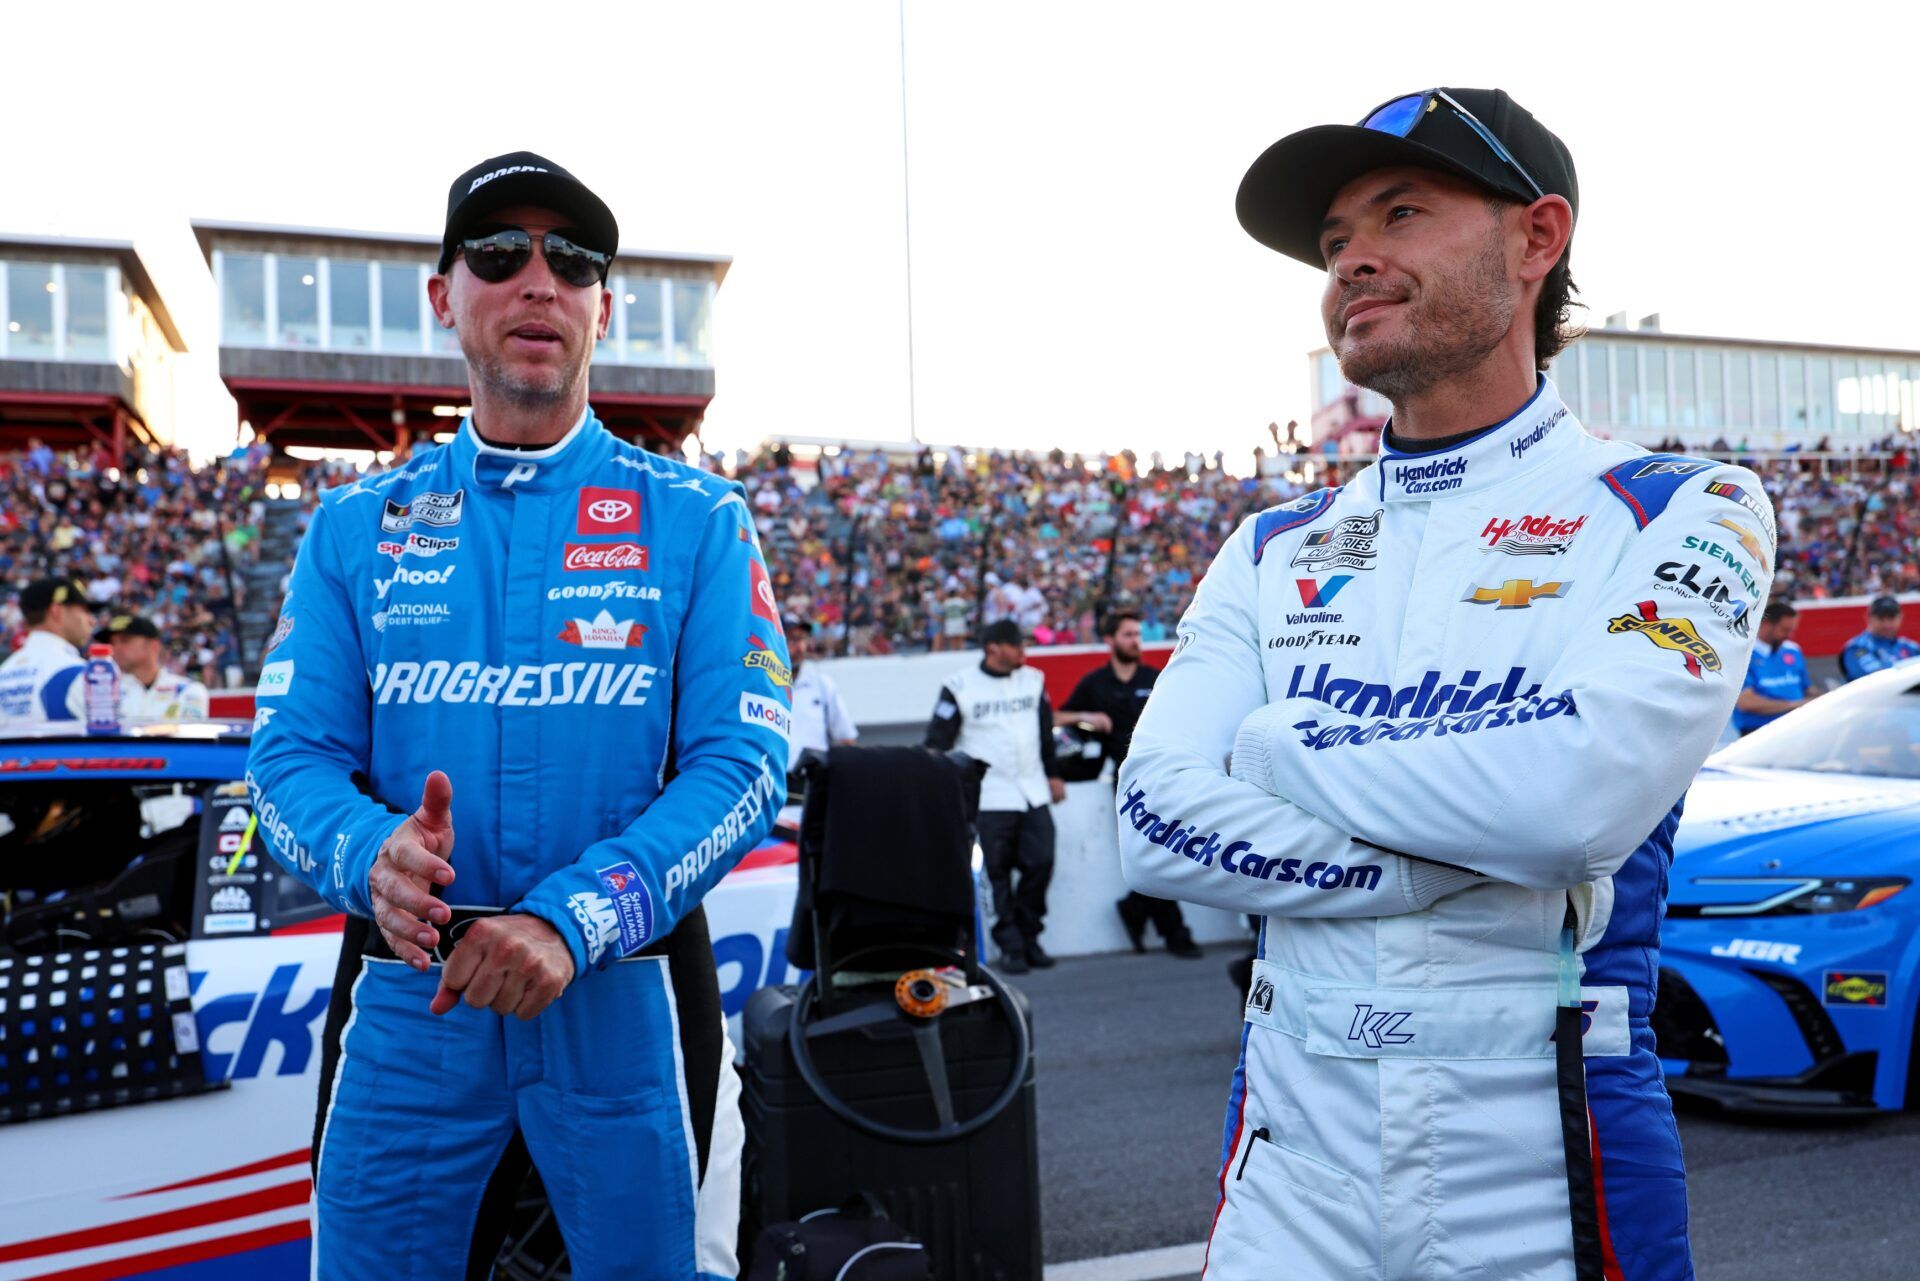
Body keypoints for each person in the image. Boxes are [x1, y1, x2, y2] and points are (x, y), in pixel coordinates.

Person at [1120, 88, 1770, 1279]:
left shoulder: (1687, 505)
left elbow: (1572, 803)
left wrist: (1277, 748)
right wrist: (1447, 855)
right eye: (1332, 244)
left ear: (1537, 239)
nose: (1351, 261)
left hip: (1547, 1146)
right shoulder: (1271, 546)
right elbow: (1155, 826)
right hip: (1289, 1154)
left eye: (1401, 213)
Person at [246, 151, 789, 1280]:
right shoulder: (354, 527)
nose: (538, 280)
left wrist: (575, 917)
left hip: (624, 978)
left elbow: (744, 763)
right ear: (444, 295)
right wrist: (368, 854)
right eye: (500, 254)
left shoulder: (699, 521)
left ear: (602, 304)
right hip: (410, 984)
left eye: (573, 259)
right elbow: (288, 758)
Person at [925, 618, 1064, 974]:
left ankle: (1030, 935)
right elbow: (937, 745)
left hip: (1032, 792)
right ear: (993, 649)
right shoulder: (958, 687)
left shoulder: (1034, 681)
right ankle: (1012, 946)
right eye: (1017, 645)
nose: (1024, 651)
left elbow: (1045, 734)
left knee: (1041, 863)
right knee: (996, 875)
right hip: (988, 798)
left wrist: (1053, 774)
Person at [1059, 610, 1200, 958]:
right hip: (1124, 783)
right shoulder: (1094, 683)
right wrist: (1085, 716)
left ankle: (1137, 910)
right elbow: (1055, 715)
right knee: (1153, 853)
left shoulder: (1156, 678)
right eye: (1127, 635)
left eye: (1138, 634)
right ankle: (1173, 933)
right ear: (1110, 641)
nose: (1135, 641)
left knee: (1166, 852)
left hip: (1165, 776)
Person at [0, 577, 99, 732]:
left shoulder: (4, 672)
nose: (92, 621)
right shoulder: (83, 675)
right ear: (57, 611)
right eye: (85, 611)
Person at [100, 614, 210, 722]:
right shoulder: (100, 692)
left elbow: (189, 737)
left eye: (125, 640)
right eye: (112, 642)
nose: (115, 648)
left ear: (153, 645)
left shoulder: (188, 691)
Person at [785, 618, 857, 770]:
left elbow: (846, 738)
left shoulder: (822, 684)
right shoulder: (762, 686)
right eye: (791, 639)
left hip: (814, 782)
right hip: (775, 783)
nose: (799, 646)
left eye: (802, 639)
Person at [1731, 601, 1812, 735]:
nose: (1789, 635)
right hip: (1759, 733)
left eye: (1792, 630)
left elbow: (1807, 688)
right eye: (1785, 630)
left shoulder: (1793, 650)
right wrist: (1794, 705)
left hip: (1798, 729)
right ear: (1766, 625)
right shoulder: (1743, 655)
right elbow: (1746, 702)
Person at [1839, 594, 1920, 682]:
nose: (1887, 624)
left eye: (1891, 618)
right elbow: (1876, 679)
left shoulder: (1911, 647)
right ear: (1868, 618)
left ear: (1900, 618)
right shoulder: (1858, 647)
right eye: (1881, 618)